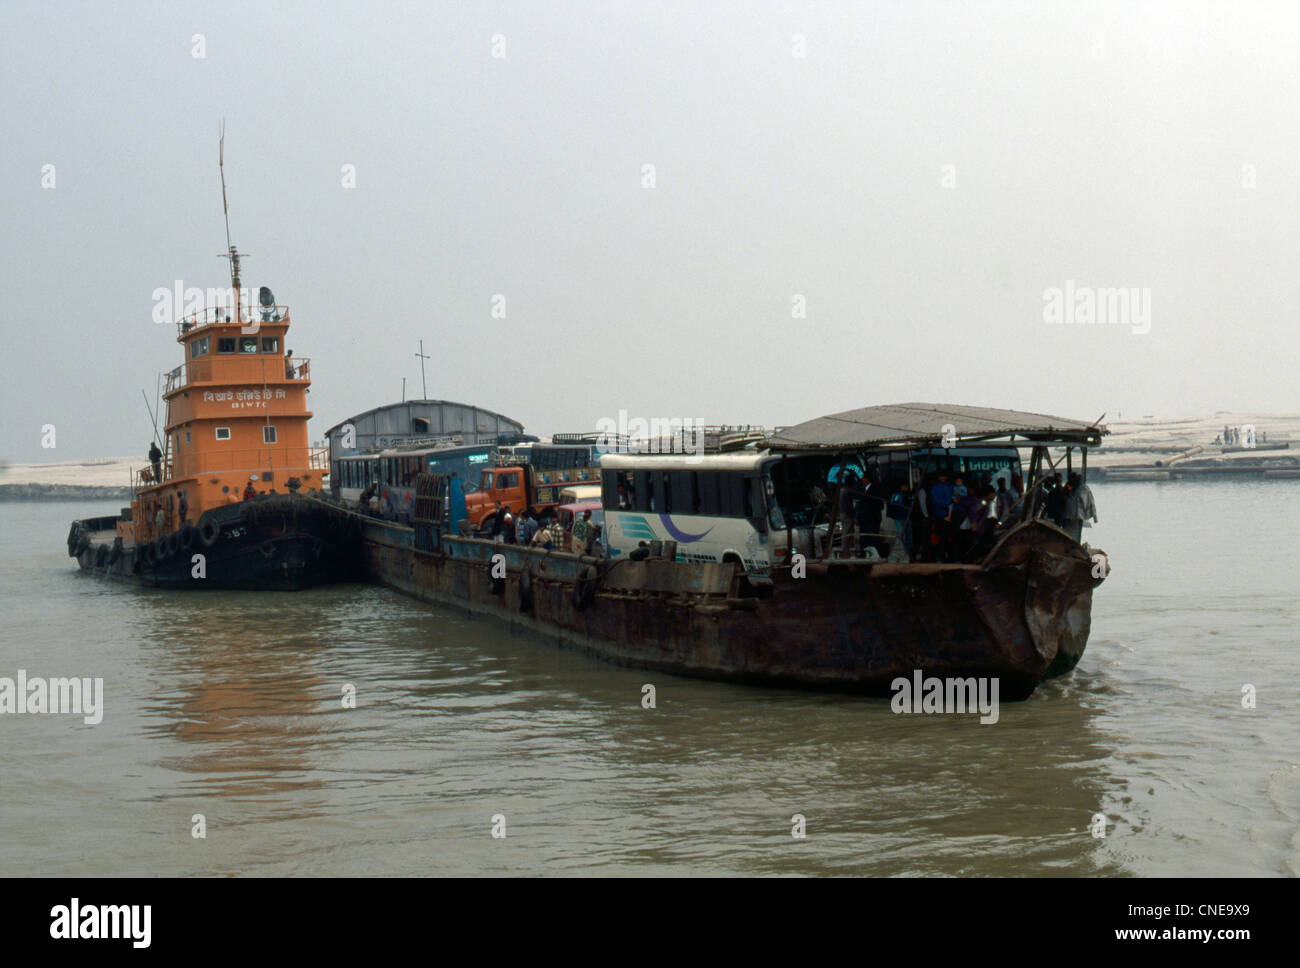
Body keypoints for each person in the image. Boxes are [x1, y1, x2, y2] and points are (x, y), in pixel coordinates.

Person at [1061, 472, 1098, 542]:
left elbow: (1091, 502)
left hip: (1077, 516)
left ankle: (1074, 544)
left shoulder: (1084, 489)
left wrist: (1095, 517)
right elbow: (1063, 497)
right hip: (1067, 515)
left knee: (1074, 535)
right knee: (1066, 534)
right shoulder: (1068, 488)